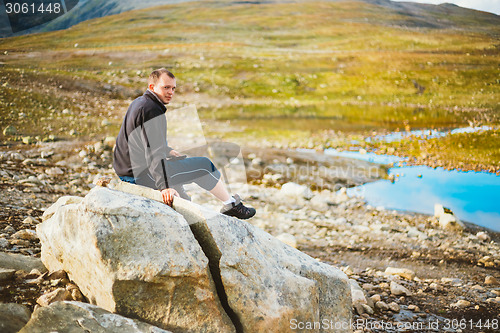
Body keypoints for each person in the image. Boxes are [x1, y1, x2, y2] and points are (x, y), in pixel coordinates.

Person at [113, 68, 255, 219]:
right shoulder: (152, 110)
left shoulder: (140, 103)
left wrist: (167, 151)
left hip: (126, 170)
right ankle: (231, 205)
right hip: (140, 175)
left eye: (173, 88)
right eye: (166, 87)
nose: (170, 92)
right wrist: (164, 187)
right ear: (152, 87)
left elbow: (137, 139)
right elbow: (153, 152)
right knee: (204, 166)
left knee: (184, 199)